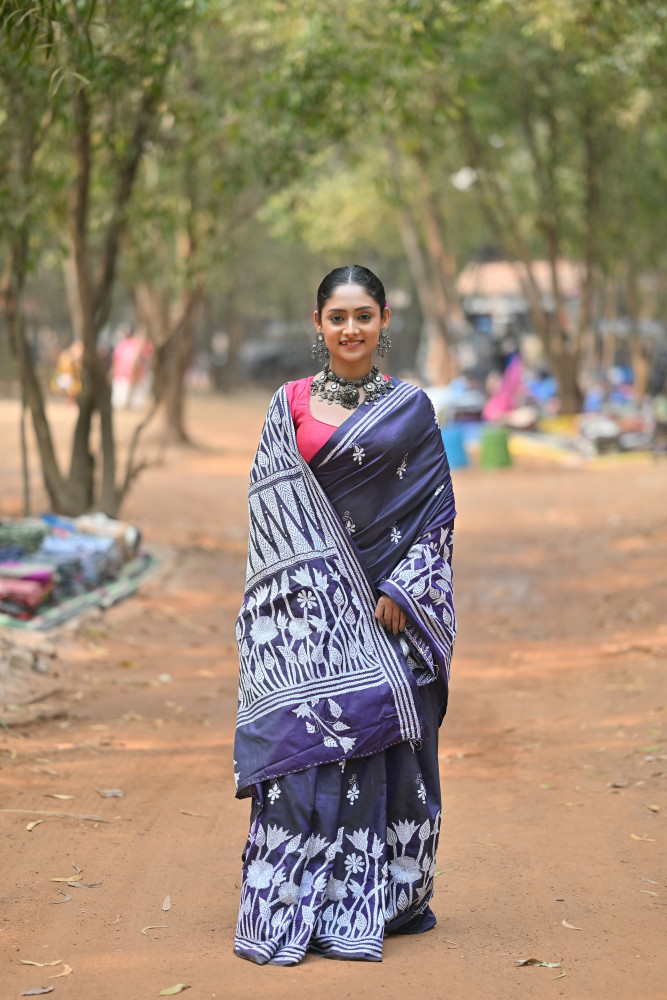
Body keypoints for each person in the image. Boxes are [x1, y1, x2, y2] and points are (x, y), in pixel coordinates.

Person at [233, 265, 457, 965]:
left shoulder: (411, 408)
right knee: (301, 747)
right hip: (306, 615)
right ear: (318, 323)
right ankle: (297, 895)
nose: (351, 328)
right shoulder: (287, 404)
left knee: (384, 741)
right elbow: (268, 509)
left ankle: (383, 895)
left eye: (364, 315)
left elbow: (435, 512)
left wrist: (407, 588)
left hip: (385, 605)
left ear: (384, 320)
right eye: (338, 316)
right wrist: (300, 598)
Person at [111, 324, 154, 411]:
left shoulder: (139, 343)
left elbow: (149, 354)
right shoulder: (121, 344)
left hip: (138, 375)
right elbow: (115, 360)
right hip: (121, 376)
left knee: (136, 402)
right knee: (120, 401)